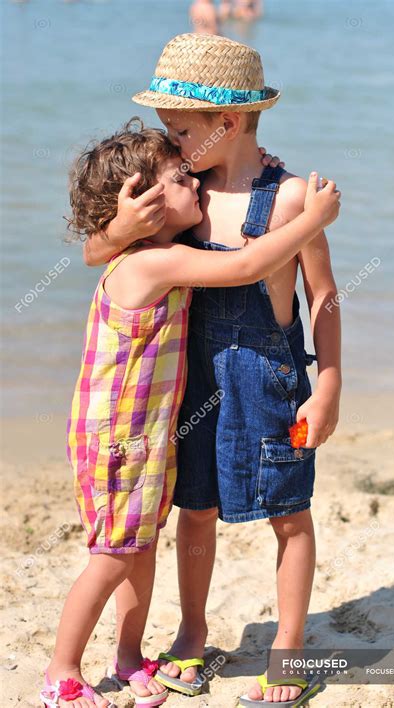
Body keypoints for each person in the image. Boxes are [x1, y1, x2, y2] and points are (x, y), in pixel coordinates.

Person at [40, 115, 339, 708]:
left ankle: (286, 650)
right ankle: (174, 639)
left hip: (258, 376)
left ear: (224, 123)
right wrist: (316, 220)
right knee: (182, 517)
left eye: (180, 131)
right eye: (174, 138)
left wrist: (328, 381)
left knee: (286, 508)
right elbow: (235, 266)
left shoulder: (274, 193)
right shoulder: (172, 217)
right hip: (169, 403)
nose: (178, 146)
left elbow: (322, 292)